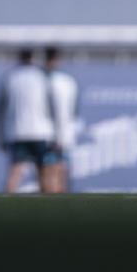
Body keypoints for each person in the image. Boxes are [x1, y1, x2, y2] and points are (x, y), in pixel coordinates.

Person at [0, 48, 58, 194]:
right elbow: (51, 107)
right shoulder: (42, 76)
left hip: (18, 131)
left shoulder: (10, 77)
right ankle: (50, 211)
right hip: (41, 132)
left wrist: (1, 136)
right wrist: (55, 134)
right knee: (44, 173)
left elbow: (1, 110)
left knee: (15, 172)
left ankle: (5, 210)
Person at [44, 45, 79, 193]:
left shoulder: (47, 81)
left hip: (51, 134)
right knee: (59, 169)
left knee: (52, 170)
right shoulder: (68, 81)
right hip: (62, 133)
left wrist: (57, 135)